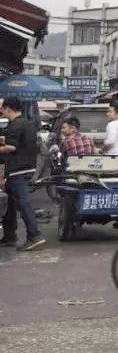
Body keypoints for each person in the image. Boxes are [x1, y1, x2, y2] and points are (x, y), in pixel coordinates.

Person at [0, 98, 46, 251]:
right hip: (27, 168)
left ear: (7, 108)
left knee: (23, 203)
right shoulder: (28, 124)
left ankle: (34, 235)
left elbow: (11, 147)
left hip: (17, 170)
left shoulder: (15, 125)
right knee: (12, 204)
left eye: (2, 108)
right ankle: (9, 236)